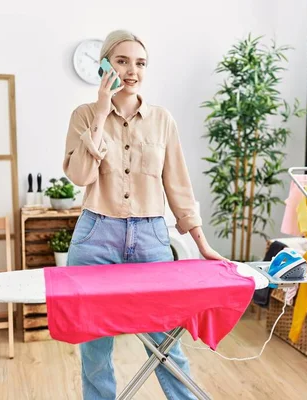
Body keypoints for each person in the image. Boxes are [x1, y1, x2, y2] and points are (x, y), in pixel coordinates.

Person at [62, 29, 224, 400]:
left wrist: (200, 242)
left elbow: (178, 185)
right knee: (96, 352)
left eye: (140, 63)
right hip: (95, 236)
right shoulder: (84, 115)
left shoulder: (163, 120)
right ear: (105, 65)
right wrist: (101, 114)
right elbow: (80, 176)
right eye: (122, 61)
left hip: (151, 237)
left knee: (168, 345)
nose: (132, 70)